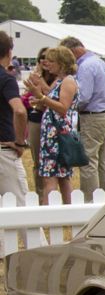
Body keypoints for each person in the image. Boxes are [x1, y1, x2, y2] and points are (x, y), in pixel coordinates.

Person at [56, 37, 105, 201]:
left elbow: (84, 96)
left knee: (88, 161)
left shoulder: (85, 66)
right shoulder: (98, 61)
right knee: (103, 162)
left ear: (72, 51)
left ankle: (90, 201)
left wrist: (67, 105)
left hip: (93, 116)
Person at [27, 46, 77, 205]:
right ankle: (67, 212)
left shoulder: (68, 81)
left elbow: (63, 108)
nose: (48, 64)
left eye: (52, 61)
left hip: (57, 135)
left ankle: (50, 213)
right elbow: (55, 105)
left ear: (62, 63)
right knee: (62, 177)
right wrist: (40, 101)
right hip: (53, 133)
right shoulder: (61, 81)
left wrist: (41, 96)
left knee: (51, 178)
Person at [0, 31, 30, 204]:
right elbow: (19, 110)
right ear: (9, 52)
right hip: (4, 148)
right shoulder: (6, 79)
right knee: (21, 203)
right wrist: (19, 142)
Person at [20, 47, 48, 199]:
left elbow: (52, 96)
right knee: (37, 161)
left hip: (52, 121)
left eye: (47, 58)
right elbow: (27, 96)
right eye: (41, 58)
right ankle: (40, 194)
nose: (44, 61)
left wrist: (41, 83)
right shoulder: (33, 77)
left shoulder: (57, 78)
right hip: (35, 120)